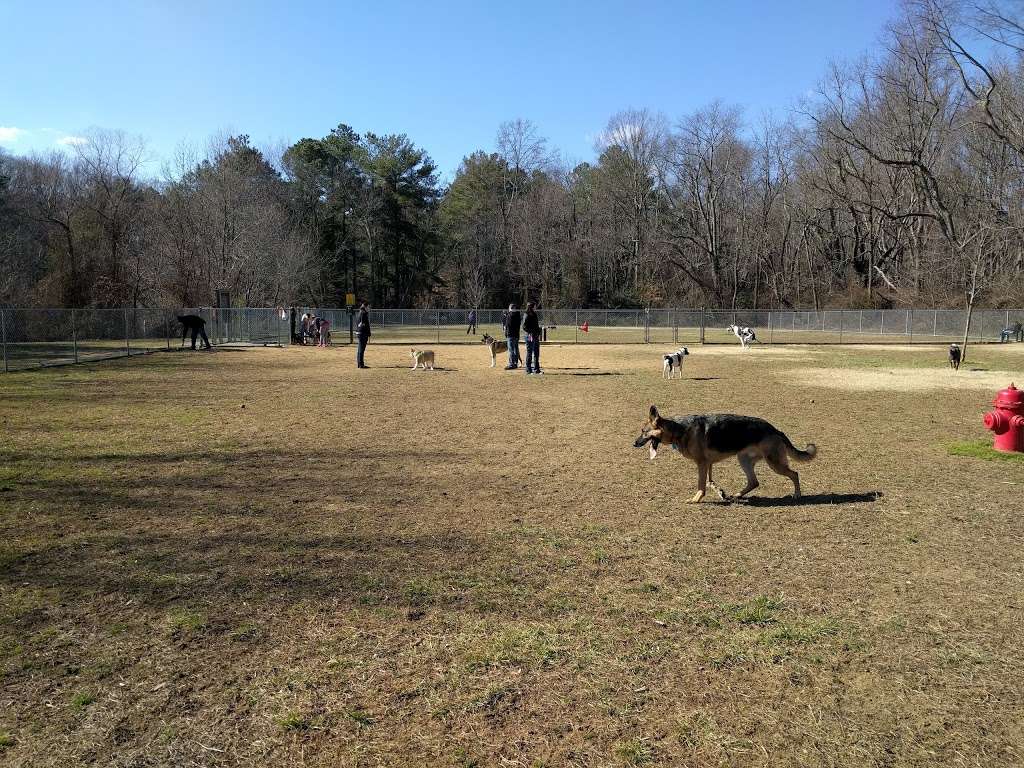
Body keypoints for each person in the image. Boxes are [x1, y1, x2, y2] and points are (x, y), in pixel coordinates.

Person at [523, 302, 543, 375]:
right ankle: (528, 370)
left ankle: (537, 369)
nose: (535, 307)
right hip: (529, 336)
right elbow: (524, 327)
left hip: (535, 336)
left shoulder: (534, 314)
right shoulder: (526, 314)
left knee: (536, 353)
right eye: (534, 306)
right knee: (529, 353)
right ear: (531, 307)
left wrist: (538, 332)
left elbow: (536, 325)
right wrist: (531, 332)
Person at [504, 303, 522, 370]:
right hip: (516, 334)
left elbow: (508, 325)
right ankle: (516, 362)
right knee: (516, 349)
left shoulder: (509, 316)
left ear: (510, 308)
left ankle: (512, 364)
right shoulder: (518, 315)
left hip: (510, 335)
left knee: (511, 350)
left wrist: (506, 333)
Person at [356, 302, 371, 368]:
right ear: (365, 306)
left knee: (360, 349)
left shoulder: (360, 312)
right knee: (361, 349)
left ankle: (359, 364)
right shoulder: (363, 313)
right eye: (368, 307)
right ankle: (361, 364)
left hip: (360, 333)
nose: (369, 308)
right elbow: (363, 324)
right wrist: (368, 332)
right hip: (362, 333)